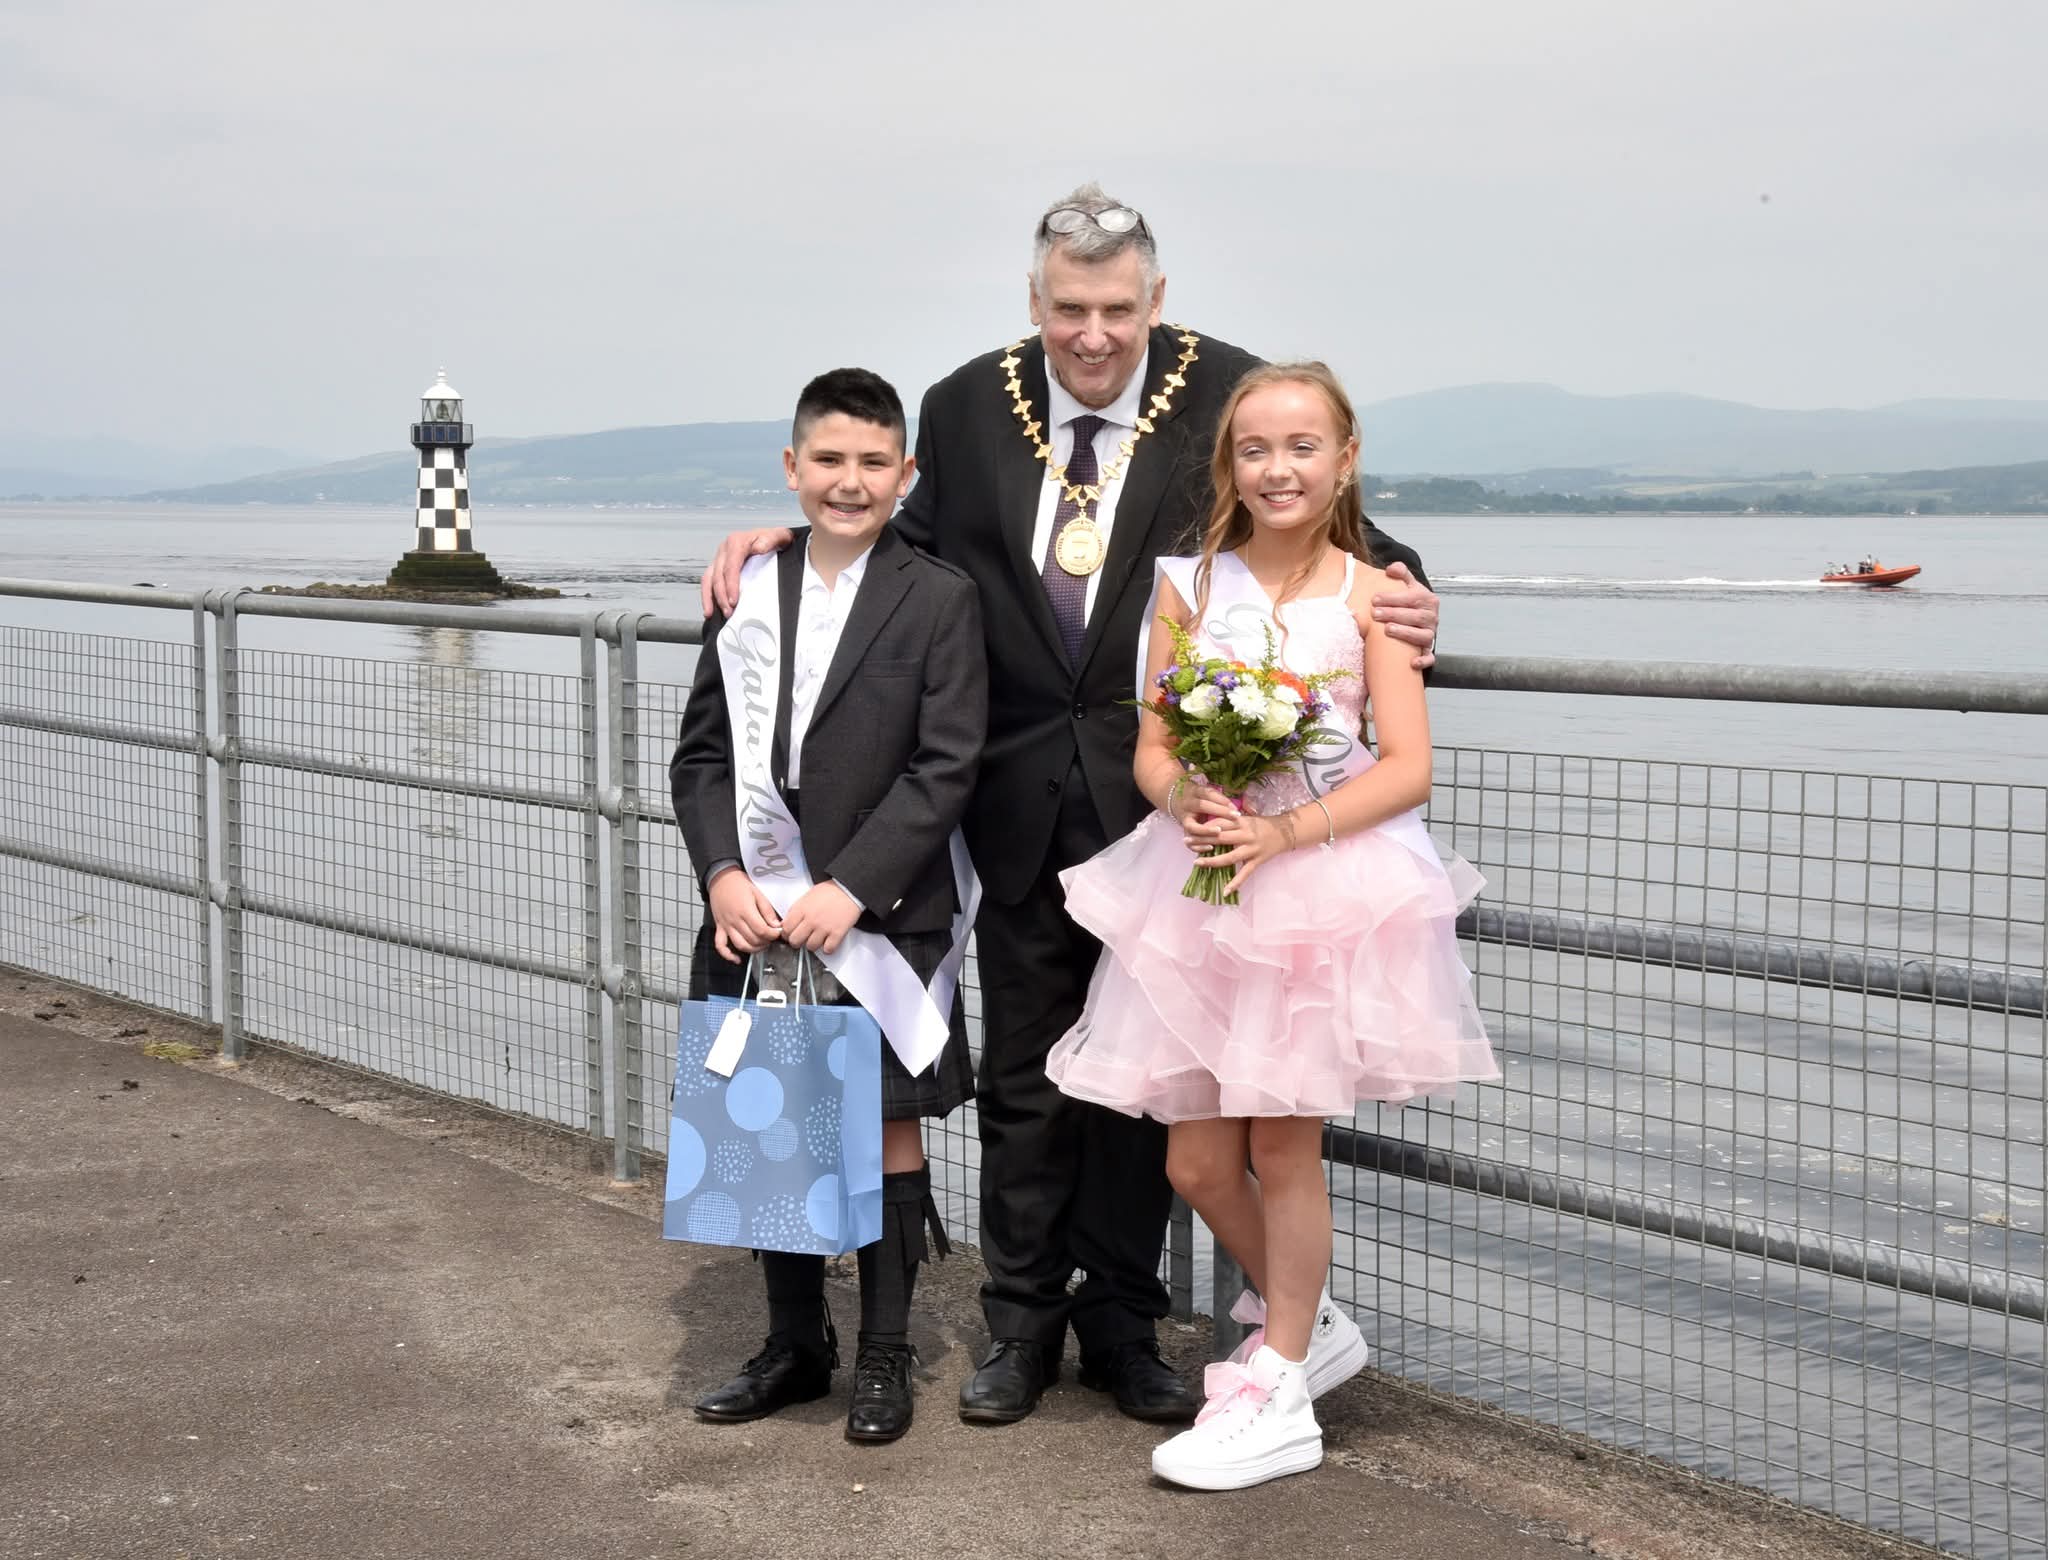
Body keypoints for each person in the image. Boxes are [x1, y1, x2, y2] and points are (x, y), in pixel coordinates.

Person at [703, 184, 1441, 1429]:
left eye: (1114, 309)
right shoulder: (962, 403)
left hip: (1172, 815)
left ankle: (1123, 1327)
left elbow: (1318, 512)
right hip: (1007, 799)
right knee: (1027, 1078)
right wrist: (785, 543)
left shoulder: (1226, 387)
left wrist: (1412, 590)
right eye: (1065, 309)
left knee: (1153, 1094)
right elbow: (893, 546)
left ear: (1156, 299)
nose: (1090, 335)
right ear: (1032, 300)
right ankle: (1019, 1327)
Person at [1046, 362, 1499, 1489]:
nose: (1278, 468)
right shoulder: (1188, 585)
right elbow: (1152, 747)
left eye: (1302, 446)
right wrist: (1184, 800)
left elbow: (1407, 767)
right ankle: (1315, 1321)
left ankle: (1282, 1382)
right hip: (1204, 881)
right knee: (1199, 1160)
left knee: (1282, 1145)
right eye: (1254, 449)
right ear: (1228, 465)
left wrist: (1284, 832)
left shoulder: (1374, 595)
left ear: (1344, 459)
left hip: (1319, 888)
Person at [670, 367, 987, 1444]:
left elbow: (948, 764)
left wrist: (852, 887)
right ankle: (794, 1346)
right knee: (771, 1118)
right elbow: (703, 756)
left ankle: (884, 1355)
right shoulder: (745, 590)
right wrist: (722, 872)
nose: (849, 482)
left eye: (872, 463)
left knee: (886, 1127)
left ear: (905, 474)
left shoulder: (939, 597)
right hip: (755, 907)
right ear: (791, 466)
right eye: (828, 460)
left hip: (878, 913)